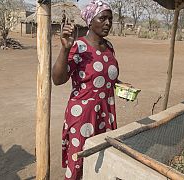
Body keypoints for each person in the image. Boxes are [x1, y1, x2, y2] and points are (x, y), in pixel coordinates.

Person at [52, 1, 128, 179]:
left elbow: (106, 78)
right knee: (79, 162)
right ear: (90, 21)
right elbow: (58, 79)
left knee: (101, 159)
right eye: (103, 18)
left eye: (110, 18)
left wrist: (120, 84)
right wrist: (65, 49)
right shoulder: (78, 46)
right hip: (83, 116)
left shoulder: (109, 47)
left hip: (106, 113)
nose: (108, 23)